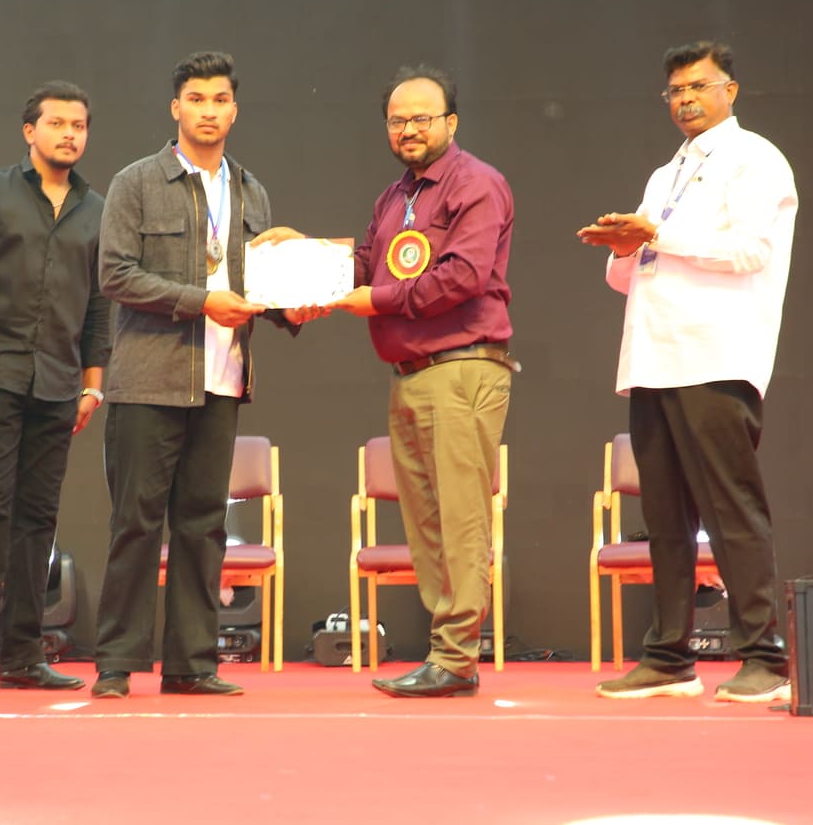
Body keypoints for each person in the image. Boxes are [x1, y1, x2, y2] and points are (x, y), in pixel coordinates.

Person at [577, 40, 798, 702]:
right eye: (675, 91)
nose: (686, 100)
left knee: (732, 510)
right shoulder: (664, 173)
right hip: (654, 358)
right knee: (666, 518)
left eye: (699, 86)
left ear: (731, 90)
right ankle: (670, 655)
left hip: (716, 355)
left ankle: (765, 657)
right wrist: (623, 248)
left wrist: (654, 235)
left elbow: (751, 251)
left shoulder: (755, 158)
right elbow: (631, 276)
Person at [89, 51, 305, 699]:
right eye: (197, 99)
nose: (209, 111)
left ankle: (191, 663)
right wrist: (200, 300)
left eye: (220, 100)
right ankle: (116, 663)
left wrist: (295, 306)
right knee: (136, 522)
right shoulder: (136, 182)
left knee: (204, 524)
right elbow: (115, 275)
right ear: (176, 108)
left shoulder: (251, 190)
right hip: (148, 379)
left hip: (223, 378)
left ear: (234, 111)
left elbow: (259, 283)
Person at [334, 64, 516, 698]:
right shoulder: (395, 197)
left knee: (460, 518)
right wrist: (299, 265)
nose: (408, 129)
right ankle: (450, 656)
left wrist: (376, 300)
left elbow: (463, 276)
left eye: (421, 118)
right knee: (426, 521)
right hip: (410, 373)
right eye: (397, 120)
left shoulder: (476, 184)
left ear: (451, 123)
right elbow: (363, 265)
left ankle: (457, 654)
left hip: (462, 367)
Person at [0, 81, 110, 693]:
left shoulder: (97, 208)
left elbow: (99, 304)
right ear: (29, 131)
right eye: (57, 123)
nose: (69, 134)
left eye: (79, 125)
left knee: (39, 516)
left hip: (60, 382)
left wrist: (92, 386)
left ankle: (22, 654)